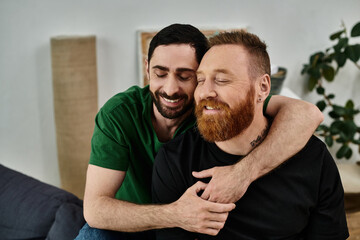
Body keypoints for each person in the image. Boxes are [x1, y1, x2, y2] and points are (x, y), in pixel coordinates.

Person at [77, 24, 323, 239]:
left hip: (190, 228)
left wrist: (242, 174)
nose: (171, 89)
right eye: (160, 74)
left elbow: (307, 114)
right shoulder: (120, 113)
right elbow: (95, 209)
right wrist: (175, 215)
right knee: (93, 234)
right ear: (147, 67)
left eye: (186, 76)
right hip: (131, 224)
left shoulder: (215, 109)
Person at [152, 30, 349, 239]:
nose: (205, 92)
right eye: (200, 80)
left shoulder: (313, 158)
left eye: (221, 80)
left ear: (262, 87)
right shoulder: (175, 161)